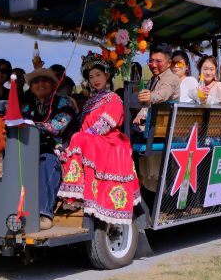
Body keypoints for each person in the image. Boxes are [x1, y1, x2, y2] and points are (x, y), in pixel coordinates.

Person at [58, 53, 139, 225]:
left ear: (107, 76)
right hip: (90, 140)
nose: (94, 80)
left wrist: (82, 138)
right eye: (91, 77)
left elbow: (104, 125)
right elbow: (82, 126)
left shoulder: (113, 98)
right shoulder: (89, 103)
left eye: (98, 75)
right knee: (72, 141)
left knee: (79, 137)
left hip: (108, 140)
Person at [22, 66, 76, 230]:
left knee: (47, 160)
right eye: (35, 81)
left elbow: (57, 126)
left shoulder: (64, 102)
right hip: (33, 152)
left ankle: (44, 214)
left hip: (60, 155)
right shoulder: (28, 107)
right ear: (31, 88)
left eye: (45, 79)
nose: (40, 83)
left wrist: (34, 127)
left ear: (53, 84)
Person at [133, 43, 180, 125]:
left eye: (158, 62)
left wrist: (151, 97)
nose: (154, 65)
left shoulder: (172, 78)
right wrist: (140, 115)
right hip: (150, 124)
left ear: (169, 63)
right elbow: (147, 103)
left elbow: (164, 92)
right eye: (151, 61)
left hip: (162, 129)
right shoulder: (154, 78)